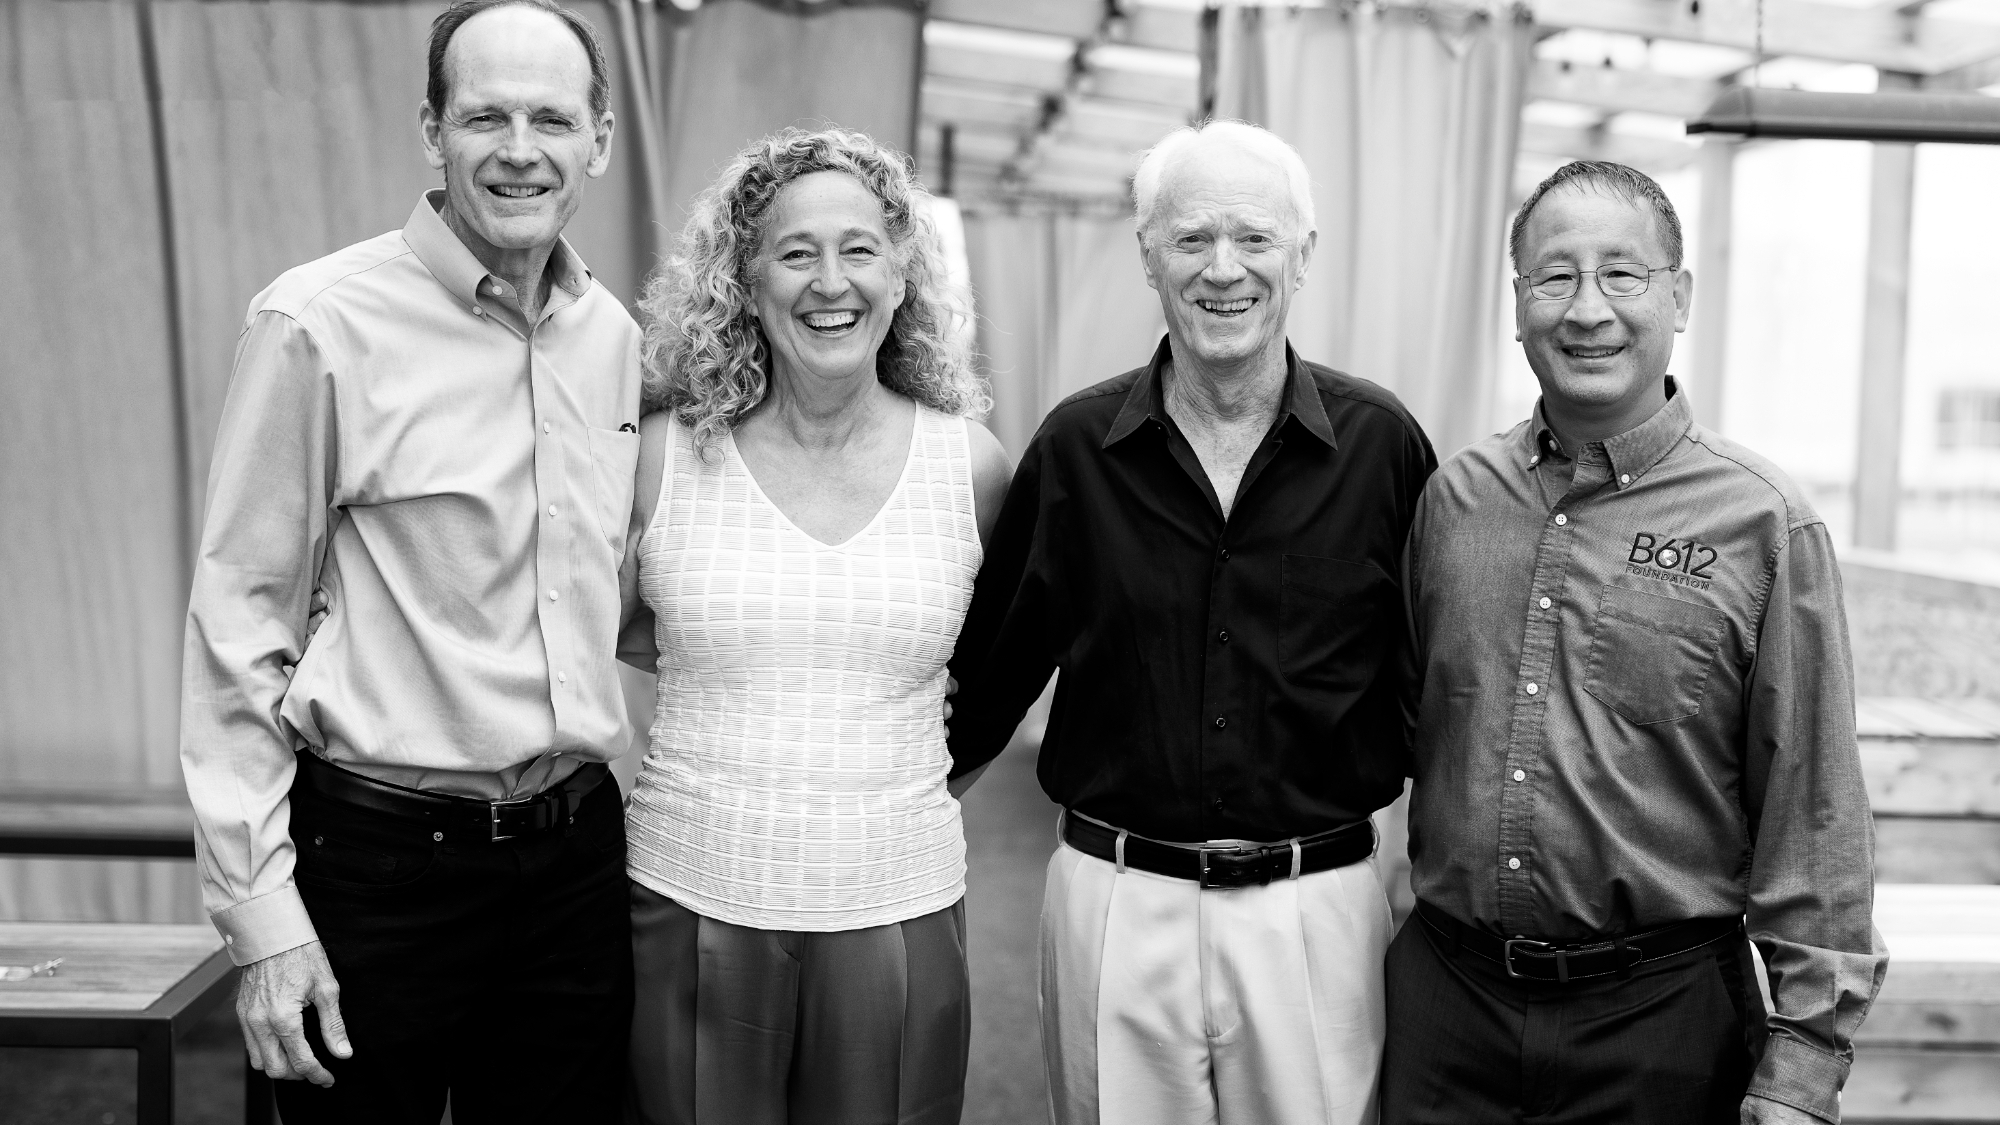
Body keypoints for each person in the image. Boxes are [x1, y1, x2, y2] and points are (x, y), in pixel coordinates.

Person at [178, 2, 639, 1119]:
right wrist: (263, 922)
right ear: (432, 131)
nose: (520, 150)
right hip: (380, 867)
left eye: (551, 119)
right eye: (485, 117)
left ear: (599, 140)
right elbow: (239, 623)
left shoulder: (612, 340)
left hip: (573, 859)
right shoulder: (318, 322)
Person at [943, 120, 1436, 1125]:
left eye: (1254, 238)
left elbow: (1433, 687)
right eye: (1191, 238)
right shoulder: (1076, 448)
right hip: (1115, 903)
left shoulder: (1381, 447)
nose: (1223, 269)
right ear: (1147, 255)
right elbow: (982, 684)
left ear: (1303, 254)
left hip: (1316, 911)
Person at [1383, 160, 1887, 1125]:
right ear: (1517, 302)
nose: (1588, 310)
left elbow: (1814, 804)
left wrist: (1805, 1061)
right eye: (1555, 276)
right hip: (1450, 1009)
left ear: (1679, 297)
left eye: (1622, 273)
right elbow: (1402, 727)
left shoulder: (1763, 522)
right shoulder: (1454, 502)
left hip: (1662, 1022)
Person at [617, 126, 1011, 1125]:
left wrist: (888, 780)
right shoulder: (661, 460)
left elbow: (992, 674)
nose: (829, 282)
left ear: (900, 275)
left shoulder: (971, 468)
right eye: (795, 253)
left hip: (897, 908)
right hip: (688, 898)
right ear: (744, 282)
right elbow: (606, 637)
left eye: (858, 249)